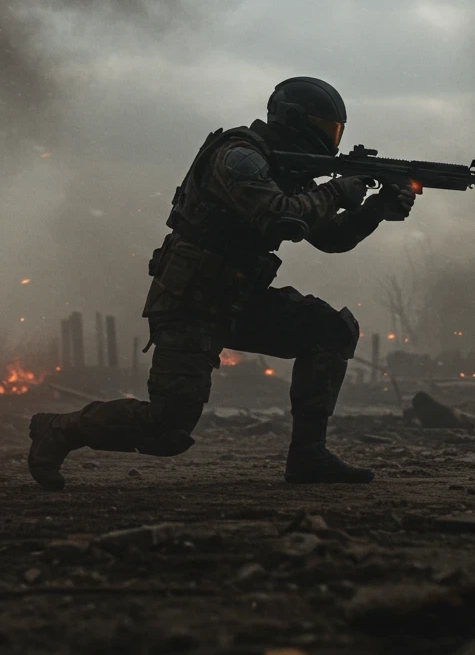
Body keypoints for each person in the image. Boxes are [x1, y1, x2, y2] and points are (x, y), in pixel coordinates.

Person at [28, 77, 416, 489]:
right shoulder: (238, 156)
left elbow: (330, 238)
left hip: (240, 301)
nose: (330, 141)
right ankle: (60, 429)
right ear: (293, 120)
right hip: (189, 303)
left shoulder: (286, 170)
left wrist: (375, 209)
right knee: (167, 429)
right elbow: (280, 216)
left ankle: (309, 456)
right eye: (325, 128)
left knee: (331, 330)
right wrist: (338, 192)